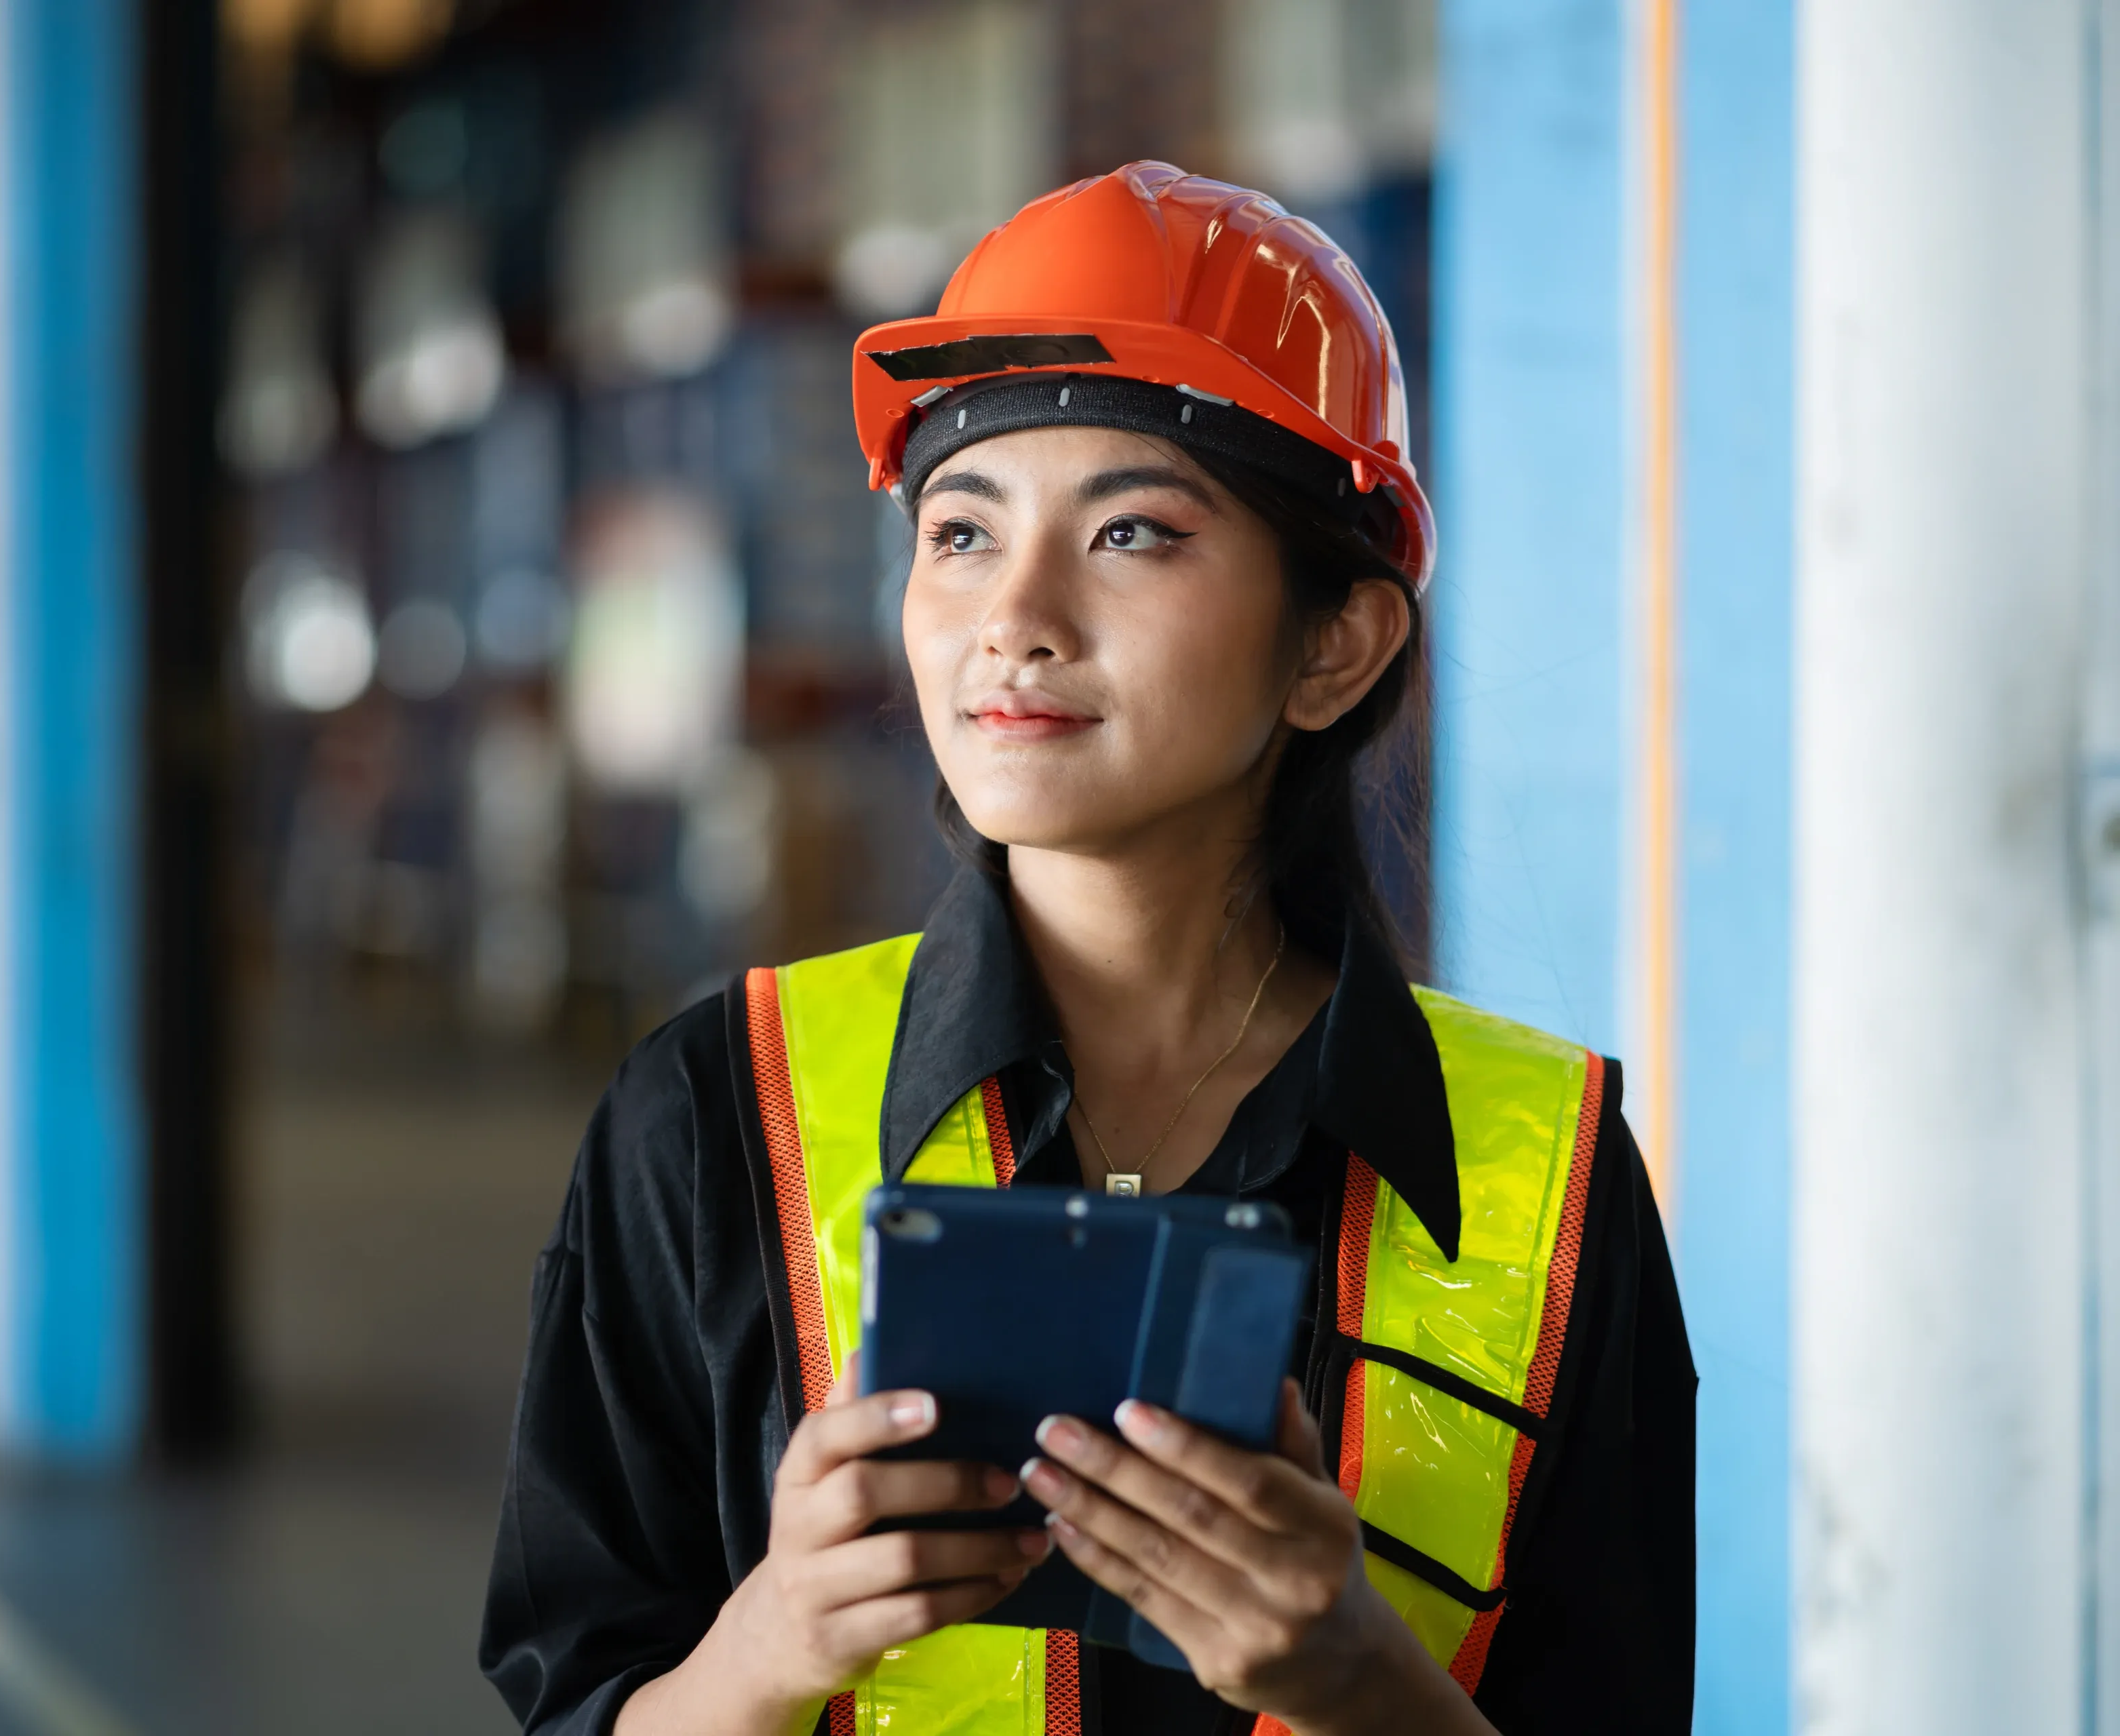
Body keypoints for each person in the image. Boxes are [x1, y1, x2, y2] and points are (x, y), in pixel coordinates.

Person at [481, 163, 1694, 1736]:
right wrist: (771, 1642)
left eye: (1131, 531)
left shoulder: (1545, 1179)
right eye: (961, 531)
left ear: (1335, 643)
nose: (1016, 618)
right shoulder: (713, 1120)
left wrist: (1354, 1676)